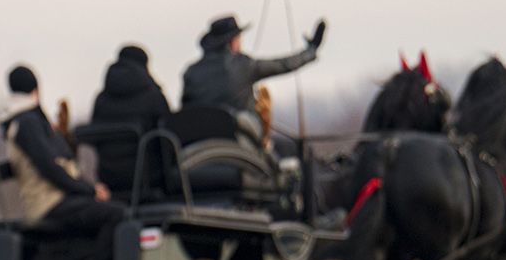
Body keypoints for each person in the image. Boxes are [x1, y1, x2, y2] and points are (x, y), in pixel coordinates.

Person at [1, 65, 128, 260]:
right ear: (35, 90)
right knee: (117, 213)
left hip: (48, 203)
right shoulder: (28, 122)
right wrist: (90, 191)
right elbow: (50, 168)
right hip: (50, 204)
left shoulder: (19, 122)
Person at [181, 14, 327, 141]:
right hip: (240, 137)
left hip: (200, 139)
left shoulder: (191, 72)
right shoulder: (243, 65)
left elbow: (186, 107)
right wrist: (310, 50)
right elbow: (283, 65)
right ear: (232, 42)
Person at [87, 45, 173, 195]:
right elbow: (168, 140)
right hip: (148, 179)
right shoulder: (154, 97)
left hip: (108, 180)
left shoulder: (101, 100)